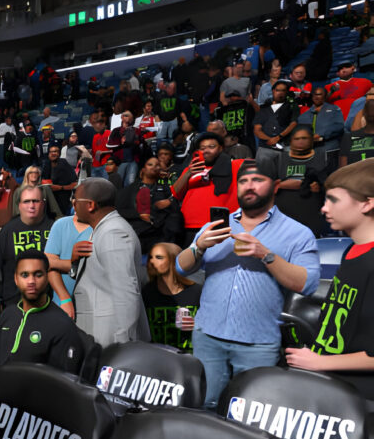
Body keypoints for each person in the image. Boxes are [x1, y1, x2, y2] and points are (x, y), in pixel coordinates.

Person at [176, 158, 320, 408]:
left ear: (275, 186)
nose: (249, 186)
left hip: (258, 342)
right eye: (243, 181)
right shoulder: (216, 226)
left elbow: (306, 284)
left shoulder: (297, 233)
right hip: (207, 336)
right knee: (204, 406)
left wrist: (266, 255)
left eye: (257, 180)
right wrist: (199, 246)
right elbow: (180, 265)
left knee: (250, 412)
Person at [286, 159, 374, 398]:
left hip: (359, 398)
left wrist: (320, 363)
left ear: (367, 204)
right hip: (331, 383)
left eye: (333, 200)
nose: (324, 208)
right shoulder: (352, 251)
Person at [71, 177, 150, 345]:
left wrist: (123, 342)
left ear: (91, 205)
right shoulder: (104, 228)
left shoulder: (113, 233)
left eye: (76, 200)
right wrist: (75, 262)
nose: (73, 204)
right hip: (102, 334)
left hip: (111, 337)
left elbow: (126, 291)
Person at [0, 248, 84, 371]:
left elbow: (63, 384)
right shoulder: (7, 315)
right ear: (16, 279)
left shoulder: (63, 325)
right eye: (24, 275)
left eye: (38, 274)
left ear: (47, 277)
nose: (31, 281)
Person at [0, 183, 55, 323]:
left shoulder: (55, 228)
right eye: (27, 201)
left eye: (36, 201)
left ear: (43, 203)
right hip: (13, 304)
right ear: (19, 205)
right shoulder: (8, 230)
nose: (31, 205)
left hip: (49, 304)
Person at [170, 132, 244, 240]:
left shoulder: (235, 165)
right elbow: (175, 194)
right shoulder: (191, 169)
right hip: (190, 227)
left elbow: (262, 166)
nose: (206, 150)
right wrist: (188, 173)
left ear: (221, 148)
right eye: (202, 148)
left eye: (211, 147)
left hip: (222, 226)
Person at [142, 242, 201, 351]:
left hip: (191, 358)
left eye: (159, 257)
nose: (151, 261)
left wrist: (197, 326)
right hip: (157, 358)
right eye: (150, 257)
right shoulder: (145, 293)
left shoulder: (197, 292)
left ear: (174, 261)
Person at [274, 126, 327, 236]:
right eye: (296, 139)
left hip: (311, 213)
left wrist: (319, 187)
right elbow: (270, 184)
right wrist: (298, 185)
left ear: (312, 139)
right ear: (291, 141)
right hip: (284, 214)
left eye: (304, 138)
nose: (300, 142)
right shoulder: (279, 158)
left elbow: (328, 184)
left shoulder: (322, 157)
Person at [297, 86, 344, 166]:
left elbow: (339, 126)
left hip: (329, 148)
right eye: (315, 95)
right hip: (310, 150)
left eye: (320, 95)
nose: (317, 97)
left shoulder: (334, 109)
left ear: (325, 96)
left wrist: (321, 134)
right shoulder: (303, 116)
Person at [253, 81, 297, 165]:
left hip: (285, 145)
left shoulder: (292, 107)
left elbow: (293, 124)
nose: (280, 93)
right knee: (262, 156)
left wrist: (278, 137)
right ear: (273, 91)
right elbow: (257, 130)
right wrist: (270, 139)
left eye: (283, 90)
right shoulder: (264, 108)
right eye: (278, 90)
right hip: (266, 146)